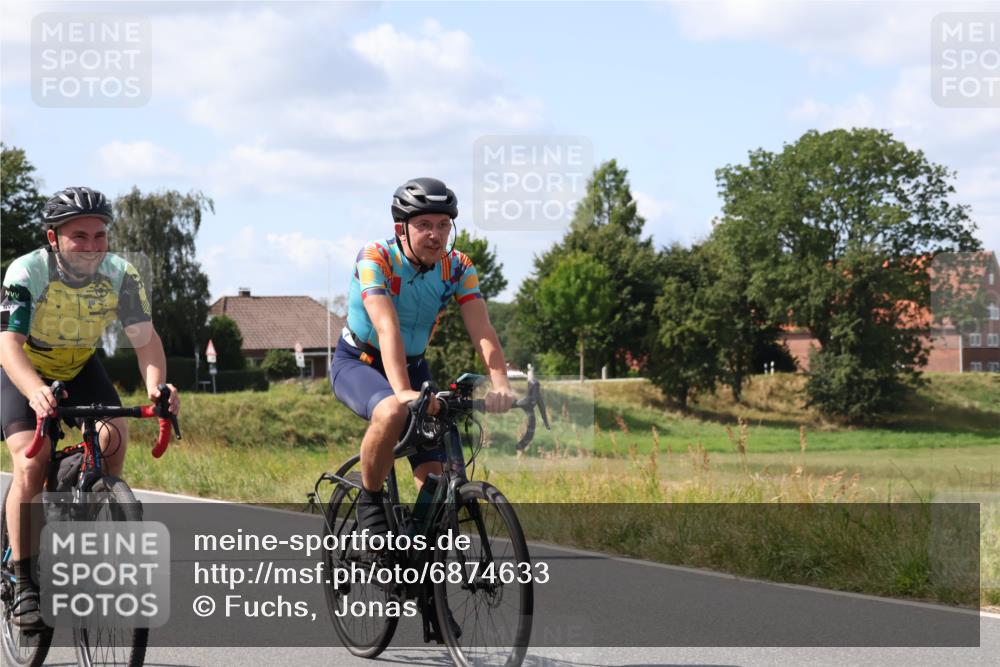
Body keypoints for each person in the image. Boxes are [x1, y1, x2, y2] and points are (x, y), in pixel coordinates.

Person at [0, 186, 180, 631]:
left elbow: (146, 340)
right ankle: (24, 585)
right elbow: (8, 345)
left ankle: (86, 510)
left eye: (100, 236)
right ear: (53, 238)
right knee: (31, 462)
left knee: (114, 434)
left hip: (79, 363)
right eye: (79, 236)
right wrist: (36, 390)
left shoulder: (121, 274)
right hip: (21, 368)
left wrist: (158, 388)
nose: (92, 246)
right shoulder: (26, 273)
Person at [330, 177, 515, 536]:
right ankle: (370, 503)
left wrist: (501, 384)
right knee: (391, 410)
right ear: (401, 229)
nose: (436, 234)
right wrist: (401, 392)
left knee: (440, 484)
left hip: (415, 367)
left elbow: (482, 331)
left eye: (444, 225)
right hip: (360, 362)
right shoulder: (376, 258)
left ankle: (421, 565)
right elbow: (387, 328)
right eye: (424, 225)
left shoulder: (458, 267)